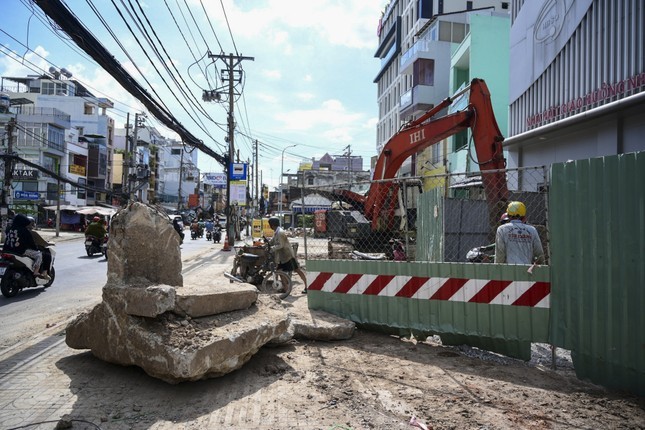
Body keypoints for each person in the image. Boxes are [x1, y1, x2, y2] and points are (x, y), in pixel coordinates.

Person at [268, 217, 308, 293]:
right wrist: (266, 242)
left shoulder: (280, 232)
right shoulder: (276, 232)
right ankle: (286, 289)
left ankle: (307, 286)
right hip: (282, 257)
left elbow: (281, 245)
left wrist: (272, 248)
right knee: (280, 272)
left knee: (297, 270)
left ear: (272, 225)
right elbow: (272, 241)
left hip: (288, 256)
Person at [3, 213, 49, 279]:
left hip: (7, 249)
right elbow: (31, 243)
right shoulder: (24, 230)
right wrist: (35, 249)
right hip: (20, 251)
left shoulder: (9, 229)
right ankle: (36, 271)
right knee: (39, 255)